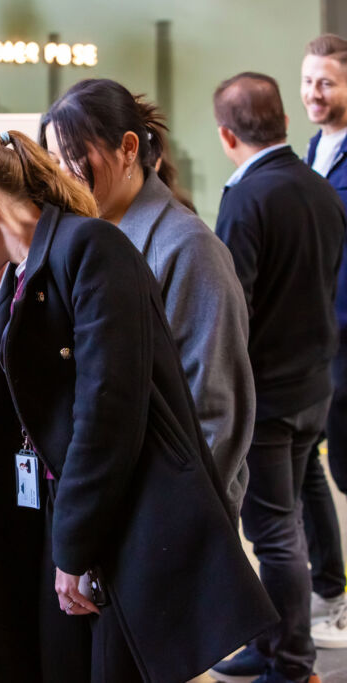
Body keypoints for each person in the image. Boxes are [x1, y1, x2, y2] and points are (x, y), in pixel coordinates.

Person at [0, 131, 276, 683]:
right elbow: (3, 440)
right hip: (59, 538)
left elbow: (109, 415)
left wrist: (75, 552)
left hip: (108, 543)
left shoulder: (92, 249)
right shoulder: (20, 276)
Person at [39, 79, 254, 521]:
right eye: (54, 162)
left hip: (168, 518)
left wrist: (179, 523)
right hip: (107, 508)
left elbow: (215, 411)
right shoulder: (85, 243)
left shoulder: (188, 247)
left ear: (128, 148)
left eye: (71, 158)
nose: (61, 177)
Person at [209, 72, 346, 683]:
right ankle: (270, 645)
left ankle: (290, 664)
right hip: (315, 384)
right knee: (286, 517)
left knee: (273, 533)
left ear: (225, 134)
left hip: (269, 397)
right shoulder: (320, 189)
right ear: (286, 121)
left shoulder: (246, 198)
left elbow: (232, 305)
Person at [301, 33, 347, 648]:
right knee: (314, 461)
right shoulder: (315, 146)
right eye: (309, 81)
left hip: (344, 333)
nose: (314, 92)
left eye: (327, 82)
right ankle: (331, 591)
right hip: (316, 338)